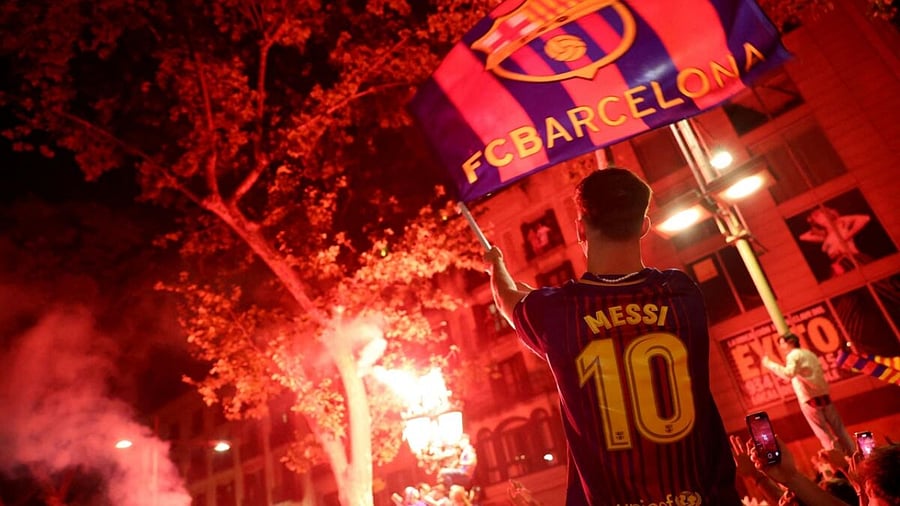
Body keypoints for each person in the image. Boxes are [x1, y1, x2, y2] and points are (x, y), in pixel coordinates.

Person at [484, 167, 741, 505]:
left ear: (580, 228)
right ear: (644, 225)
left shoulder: (557, 314)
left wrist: (496, 265)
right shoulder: (681, 292)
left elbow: (509, 299)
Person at [761, 333, 855, 455]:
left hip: (810, 399)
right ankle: (853, 453)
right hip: (824, 396)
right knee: (840, 429)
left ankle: (838, 458)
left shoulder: (793, 355)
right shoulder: (809, 354)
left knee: (824, 434)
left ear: (790, 342)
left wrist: (769, 364)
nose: (781, 347)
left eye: (782, 343)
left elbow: (788, 373)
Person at [798, 206, 871, 278]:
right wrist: (813, 225)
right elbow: (802, 237)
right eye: (814, 218)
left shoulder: (841, 223)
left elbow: (864, 218)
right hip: (839, 263)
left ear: (826, 213)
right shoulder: (825, 235)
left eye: (817, 215)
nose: (817, 218)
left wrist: (847, 237)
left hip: (851, 257)